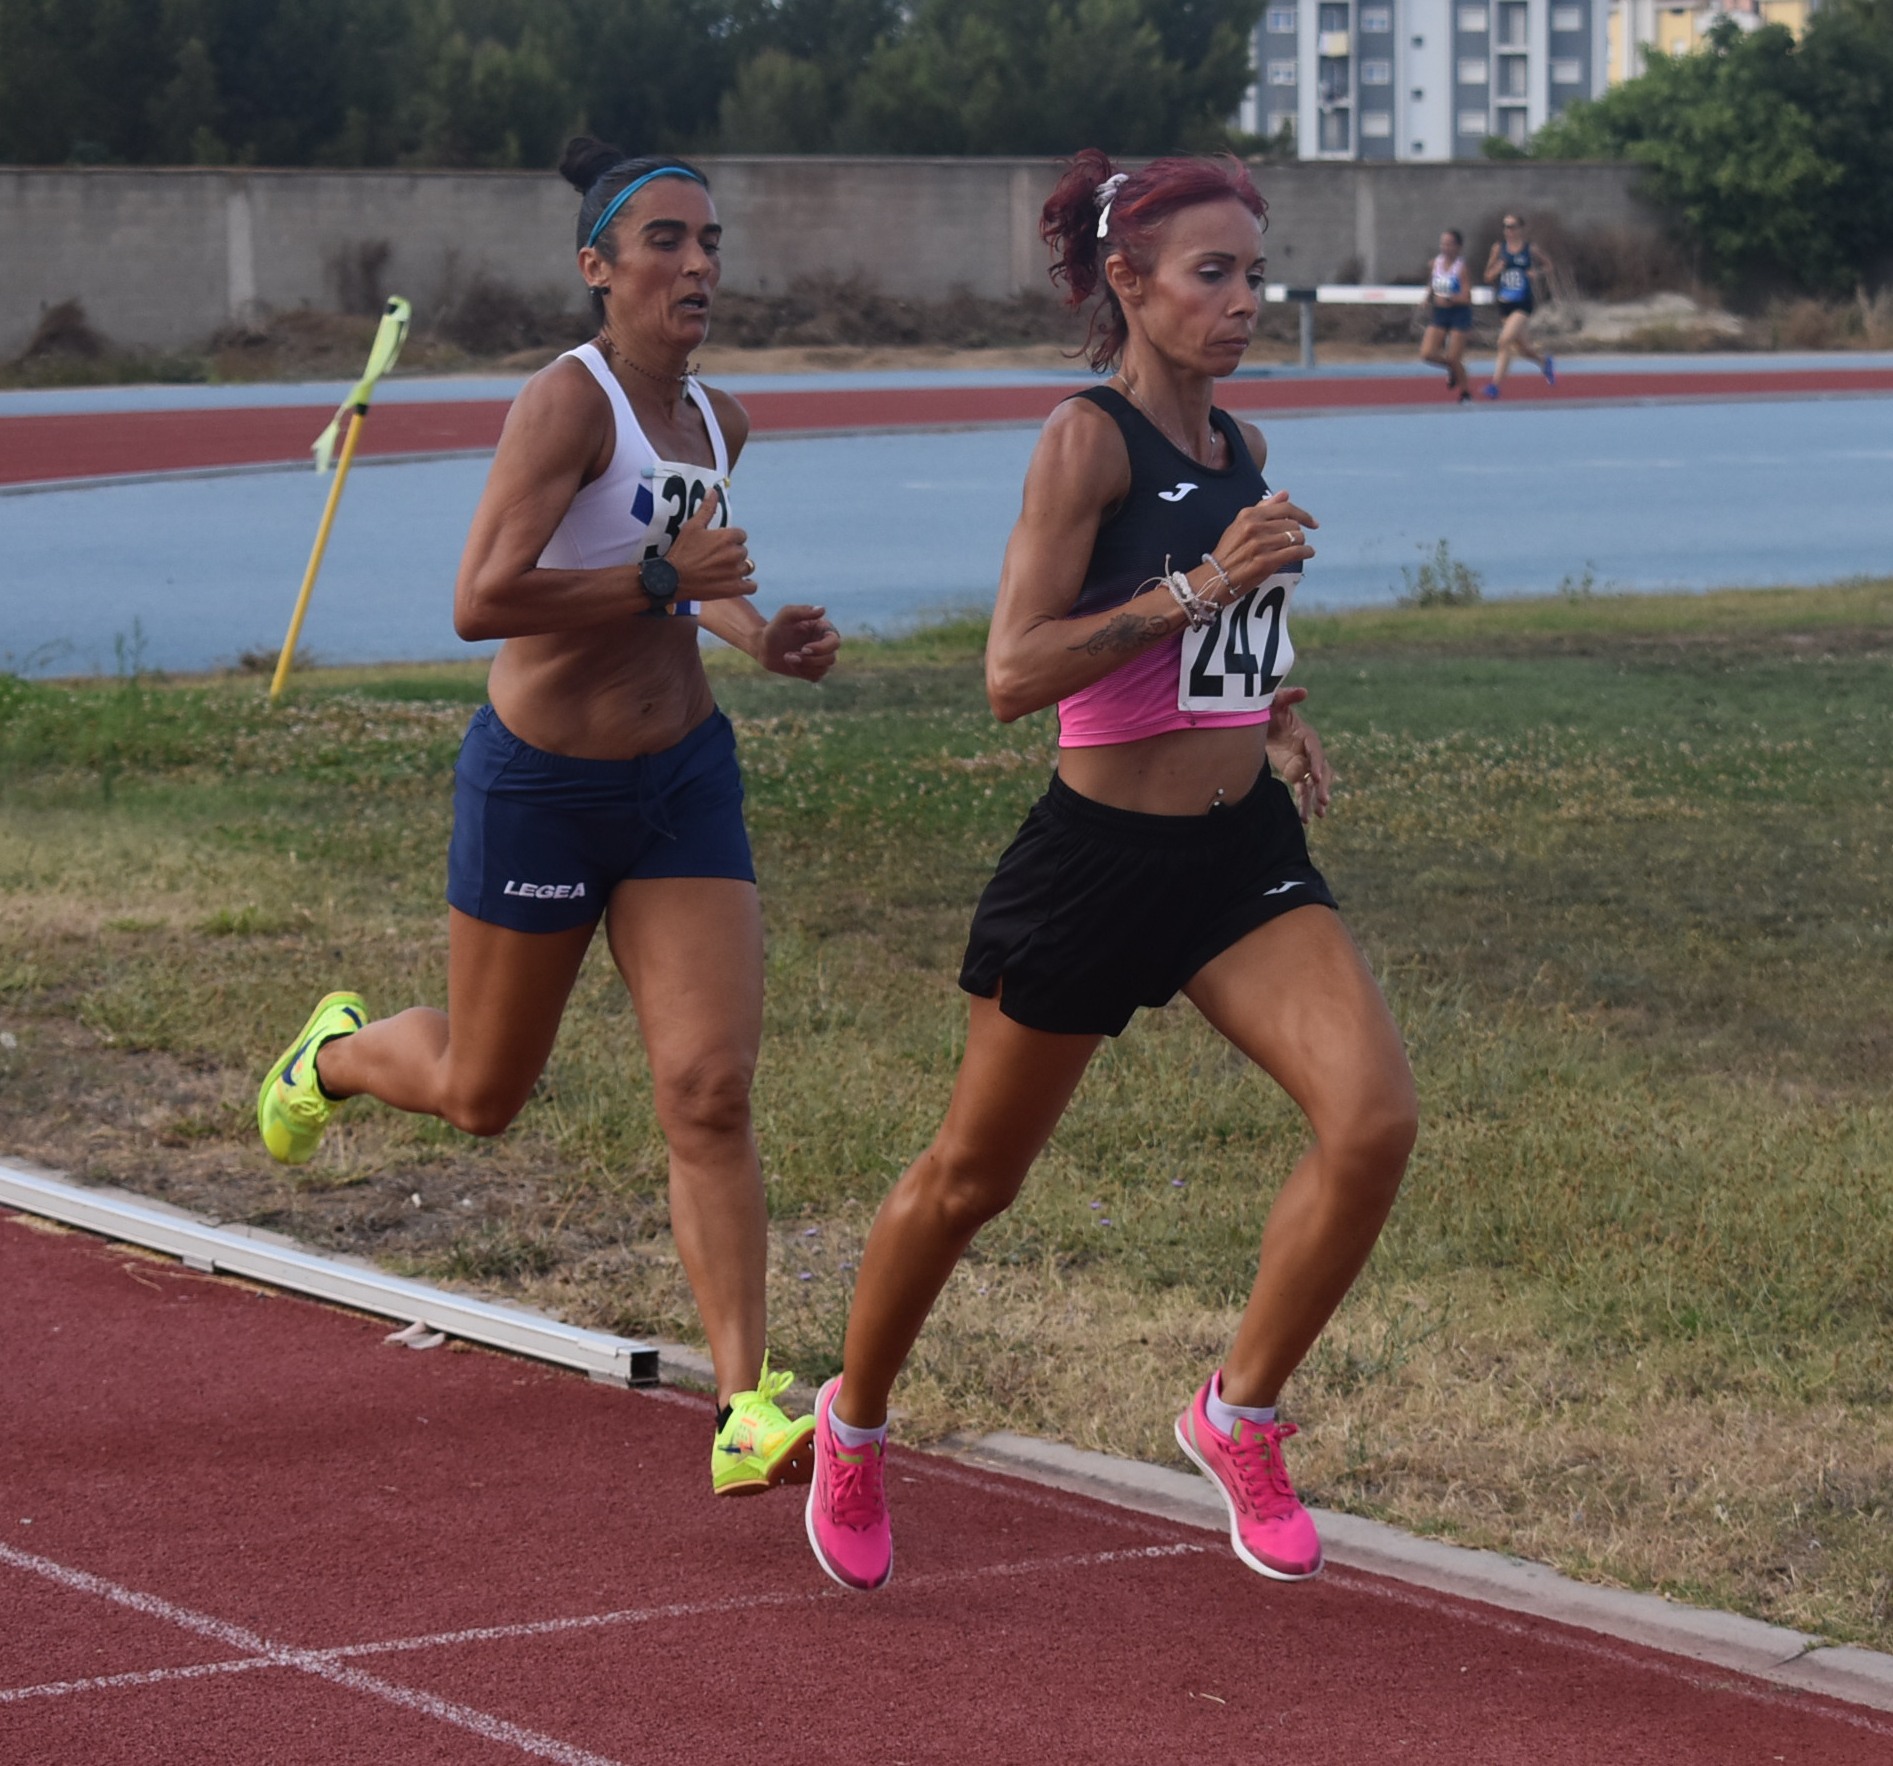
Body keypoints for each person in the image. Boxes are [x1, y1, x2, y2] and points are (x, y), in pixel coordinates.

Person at [802, 149, 1417, 1593]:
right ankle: (855, 1418)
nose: (1244, 301)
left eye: (1255, 273)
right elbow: (1013, 673)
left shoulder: (1241, 446)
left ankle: (1237, 1411)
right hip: (1095, 866)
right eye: (1213, 274)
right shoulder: (1084, 440)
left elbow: (1213, 647)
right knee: (971, 1179)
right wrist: (1201, 585)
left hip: (1236, 857)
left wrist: (1273, 708)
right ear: (1128, 282)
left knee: (1372, 1119)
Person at [256, 137, 841, 1499]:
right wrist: (661, 581)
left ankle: (743, 1403)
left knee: (708, 1086)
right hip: (542, 785)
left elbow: (696, 578)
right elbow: (483, 597)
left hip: (681, 779)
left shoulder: (719, 420)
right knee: (483, 1093)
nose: (697, 265)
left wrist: (758, 633)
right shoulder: (565, 404)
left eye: (711, 242)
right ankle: (333, 1055)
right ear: (599, 267)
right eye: (666, 242)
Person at [1480, 214, 1556, 398]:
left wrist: (1536, 273)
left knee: (1504, 341)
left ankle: (1495, 386)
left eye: (1512, 226)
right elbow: (1487, 276)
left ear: (1521, 229)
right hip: (1505, 303)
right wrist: (1497, 269)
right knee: (1523, 348)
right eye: (1505, 226)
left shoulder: (1530, 249)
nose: (1508, 230)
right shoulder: (1498, 249)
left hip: (1523, 303)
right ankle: (1544, 362)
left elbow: (1549, 266)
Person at [1419, 228, 1474, 403]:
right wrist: (1427, 297)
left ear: (1458, 247)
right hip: (1440, 313)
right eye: (1443, 243)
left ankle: (1465, 392)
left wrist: (1451, 298)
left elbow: (1467, 297)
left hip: (1459, 313)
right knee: (1427, 354)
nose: (1445, 247)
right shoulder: (1436, 263)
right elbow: (1433, 282)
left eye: (1450, 244)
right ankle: (1454, 369)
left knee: (1454, 357)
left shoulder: (1461, 268)